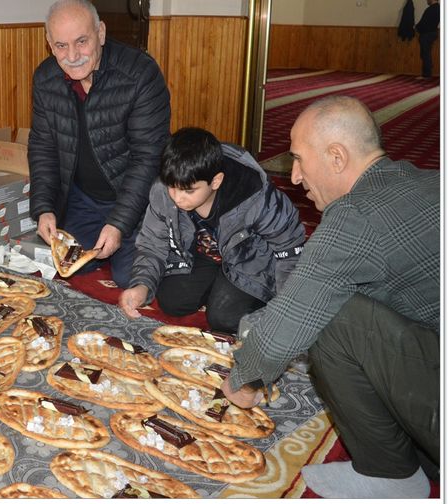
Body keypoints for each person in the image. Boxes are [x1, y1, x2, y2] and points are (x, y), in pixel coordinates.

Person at [221, 96, 439, 498]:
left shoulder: (356, 216)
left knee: (332, 316)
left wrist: (243, 381)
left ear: (337, 157)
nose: (297, 176)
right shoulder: (426, 180)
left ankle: (388, 475)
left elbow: (284, 329)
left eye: (300, 159)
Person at [28, 0, 171, 288]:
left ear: (101, 33)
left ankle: (173, 235)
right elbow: (43, 147)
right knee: (69, 265)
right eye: (61, 46)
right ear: (49, 44)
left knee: (129, 277)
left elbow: (148, 158)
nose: (72, 56)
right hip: (84, 199)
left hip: (138, 201)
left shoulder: (140, 74)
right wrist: (44, 207)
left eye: (82, 41)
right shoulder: (45, 79)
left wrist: (119, 223)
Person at [119, 128, 306, 332]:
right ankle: (221, 286)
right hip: (206, 255)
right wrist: (141, 285)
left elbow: (290, 250)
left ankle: (237, 294)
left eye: (189, 191)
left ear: (215, 181)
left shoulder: (255, 195)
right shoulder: (165, 188)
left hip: (251, 260)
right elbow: (152, 244)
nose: (177, 197)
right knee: (172, 301)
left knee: (223, 318)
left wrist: (285, 307)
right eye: (172, 187)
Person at [415, 0, 440, 78]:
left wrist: (416, 28)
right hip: (433, 33)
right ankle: (427, 73)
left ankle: (426, 75)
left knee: (425, 54)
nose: (427, 0)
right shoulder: (439, 9)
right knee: (427, 54)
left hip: (427, 34)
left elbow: (424, 23)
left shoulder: (430, 10)